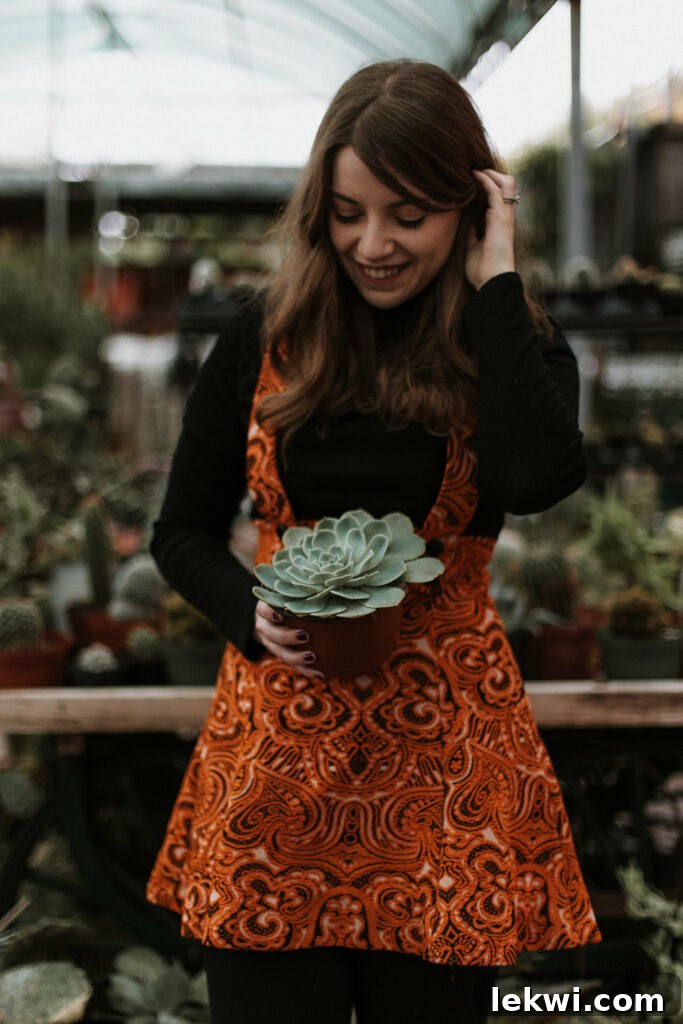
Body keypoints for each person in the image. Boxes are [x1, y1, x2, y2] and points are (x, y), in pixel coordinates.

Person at [146, 59, 601, 1024]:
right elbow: (180, 530)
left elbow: (534, 479)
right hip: (278, 772)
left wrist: (496, 280)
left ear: (469, 205)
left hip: (446, 781)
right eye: (347, 214)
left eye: (409, 215)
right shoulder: (265, 334)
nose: (373, 244)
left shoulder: (509, 343)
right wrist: (246, 612)